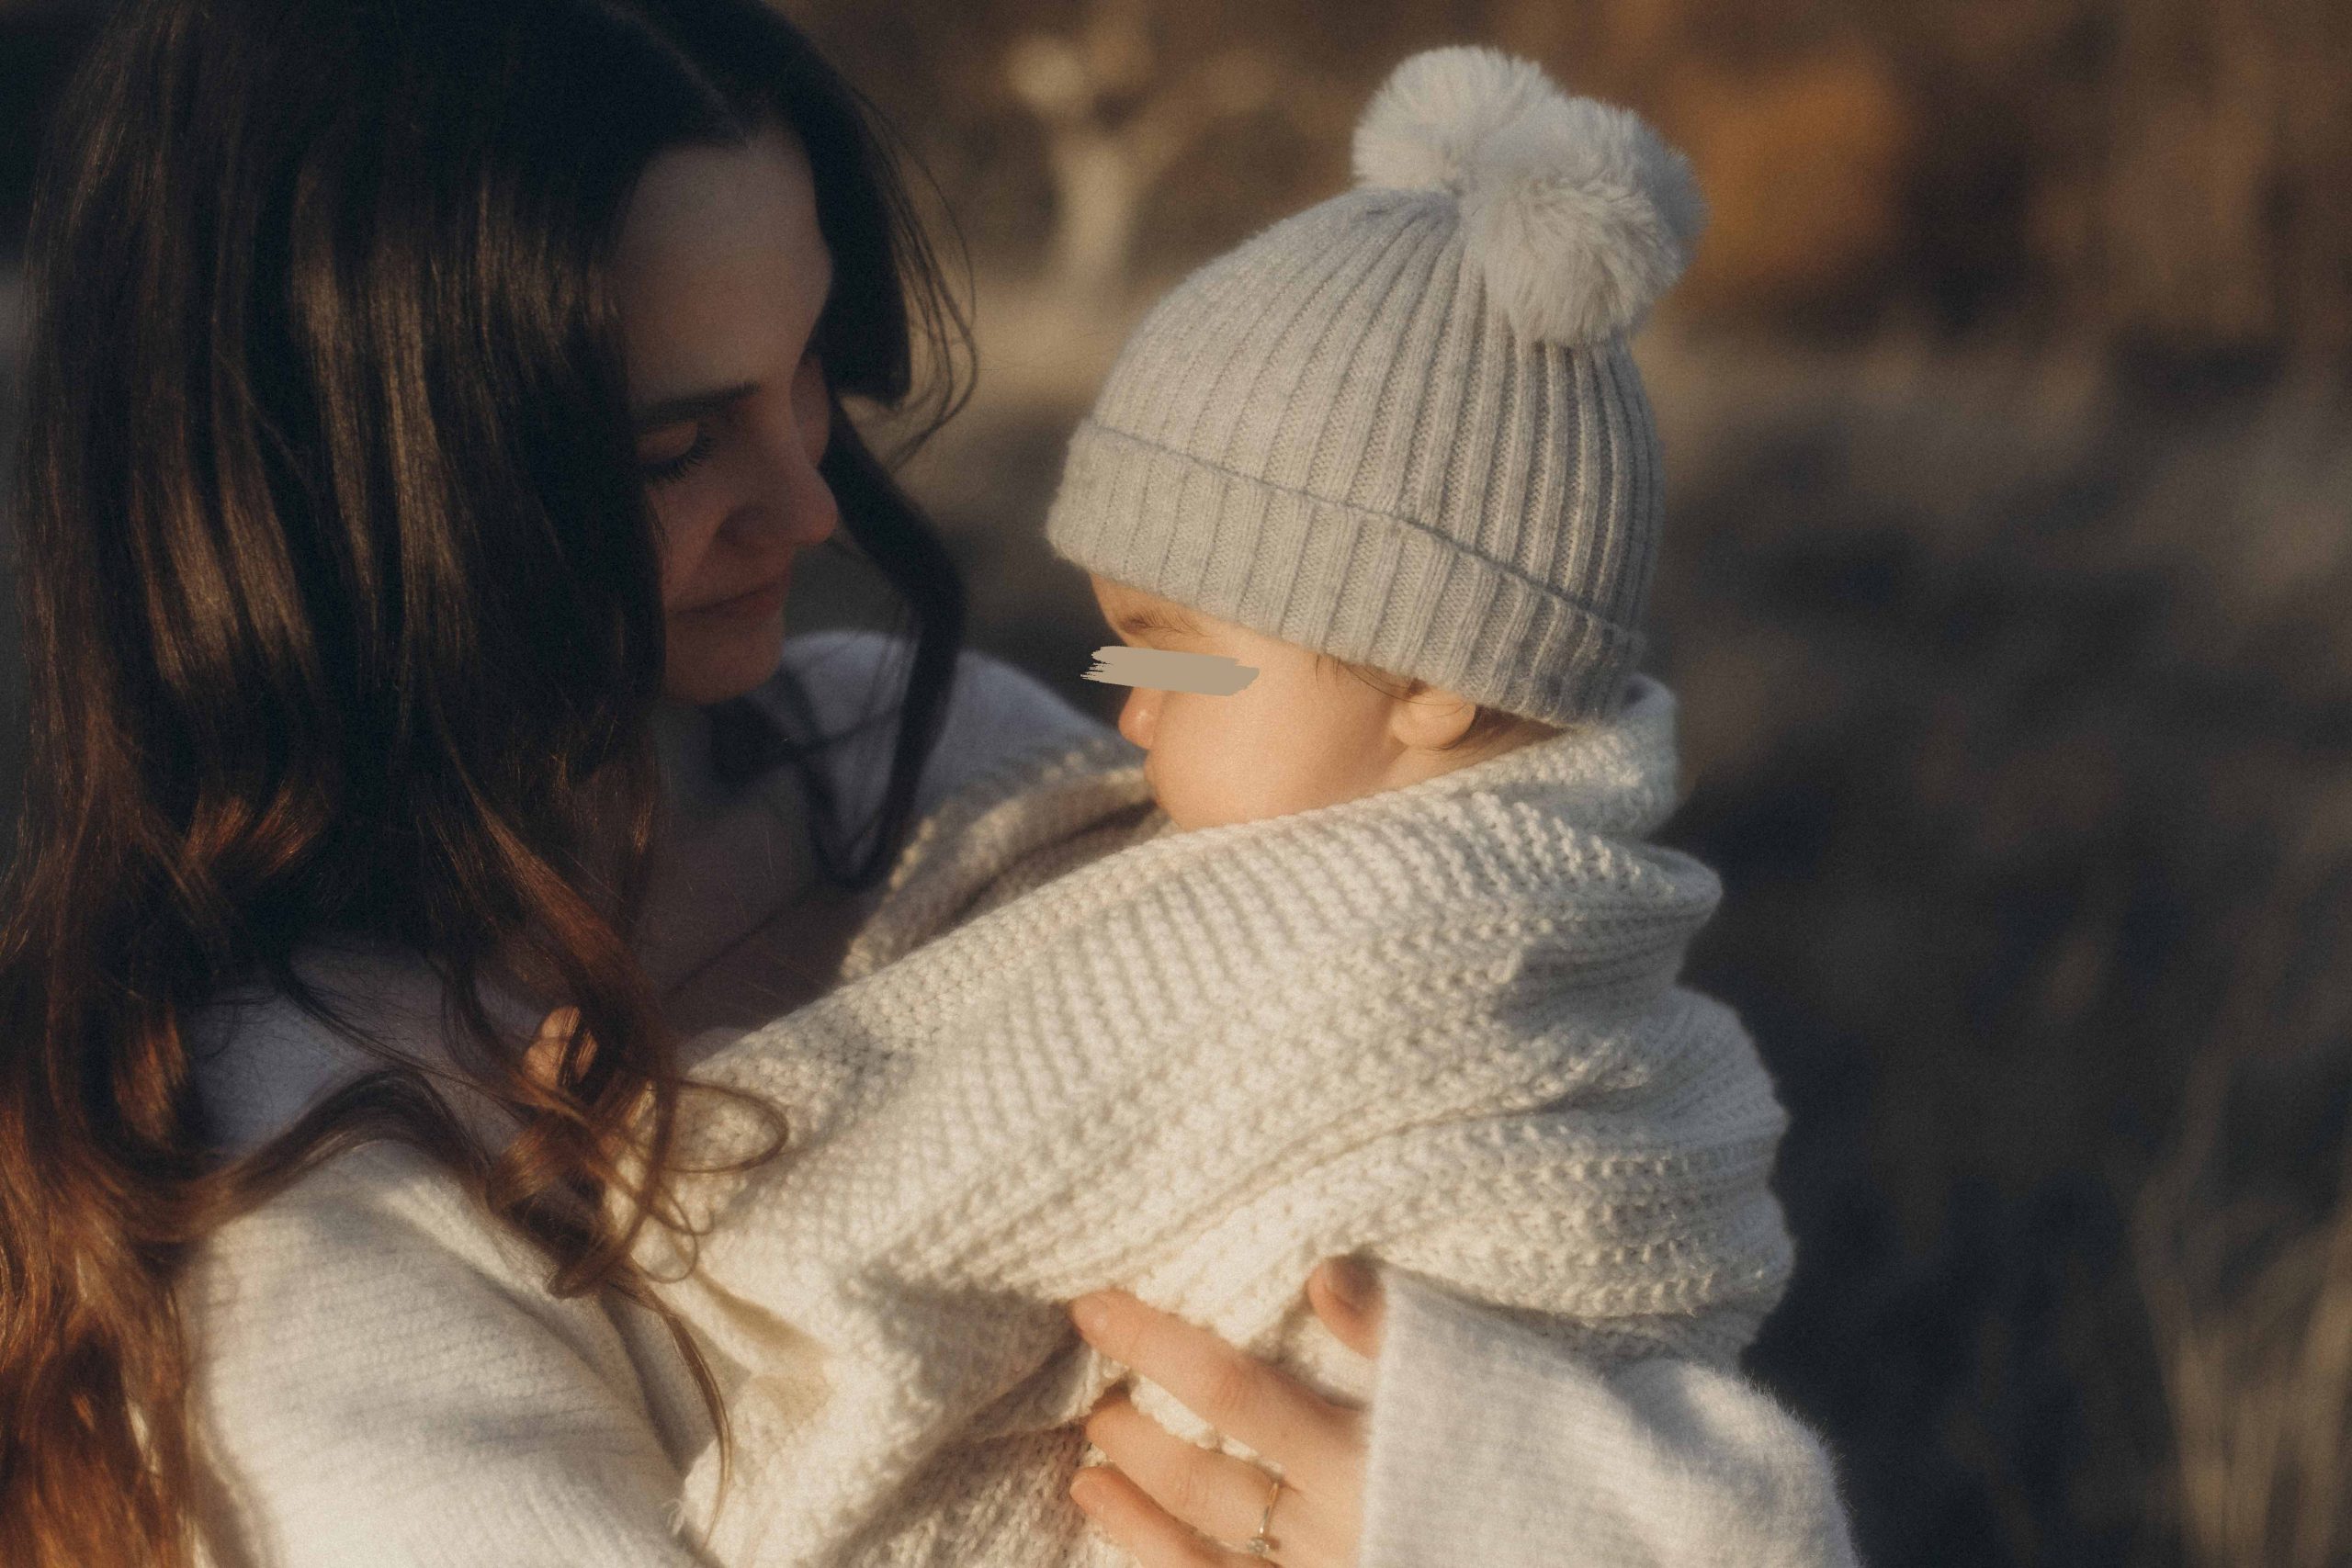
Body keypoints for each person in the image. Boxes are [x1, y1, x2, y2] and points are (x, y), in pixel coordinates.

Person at [0, 5, 1857, 1568]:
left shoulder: (936, 750)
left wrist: (1501, 1505)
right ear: (360, 486)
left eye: (813, 370)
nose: (809, 502)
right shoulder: (290, 1175)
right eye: (673, 440)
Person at [540, 47, 1855, 1568]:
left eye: (1170, 643)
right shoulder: (1251, 848)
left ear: (1430, 678)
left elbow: (907, 1194)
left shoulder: (1367, 949)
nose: (1126, 704)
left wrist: (654, 1149)